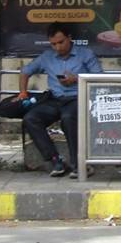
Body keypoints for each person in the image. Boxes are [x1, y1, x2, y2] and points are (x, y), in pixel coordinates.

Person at [17, 22, 103, 177]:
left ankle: (79, 164)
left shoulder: (85, 54)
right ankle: (55, 160)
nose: (57, 47)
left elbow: (99, 77)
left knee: (68, 118)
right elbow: (25, 71)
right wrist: (23, 92)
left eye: (60, 42)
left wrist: (76, 79)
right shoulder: (47, 57)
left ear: (69, 38)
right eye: (53, 44)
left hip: (78, 98)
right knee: (31, 118)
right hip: (55, 99)